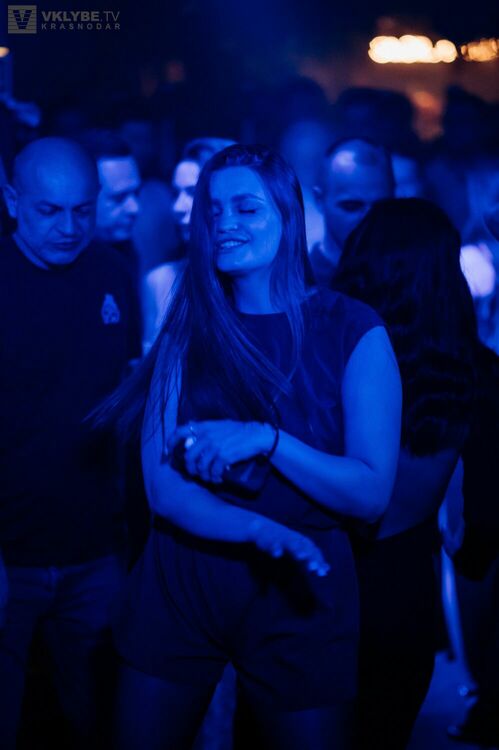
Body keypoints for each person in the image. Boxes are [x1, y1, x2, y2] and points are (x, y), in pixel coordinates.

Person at [107, 144, 402, 750]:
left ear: (289, 216)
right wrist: (257, 530)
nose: (225, 223)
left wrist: (267, 441)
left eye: (246, 207)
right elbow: (163, 490)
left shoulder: (353, 328)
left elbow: (371, 493)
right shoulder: (186, 329)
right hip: (184, 579)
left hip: (299, 588)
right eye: (213, 211)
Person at [0, 137, 142, 748]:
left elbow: (123, 396)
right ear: (12, 201)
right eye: (49, 211)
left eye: (82, 210)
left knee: (98, 724)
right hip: (8, 553)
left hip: (95, 551)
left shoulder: (112, 272)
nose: (68, 227)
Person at [333, 198, 478, 749]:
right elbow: (476, 522)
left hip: (327, 575)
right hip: (406, 587)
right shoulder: (469, 370)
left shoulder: (330, 356)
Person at [142, 137, 234, 346]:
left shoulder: (253, 286)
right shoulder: (160, 281)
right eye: (176, 193)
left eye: (193, 192)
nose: (177, 207)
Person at [311, 138, 394, 285]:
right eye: (351, 206)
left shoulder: (407, 279)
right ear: (319, 200)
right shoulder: (295, 286)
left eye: (381, 207)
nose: (368, 218)